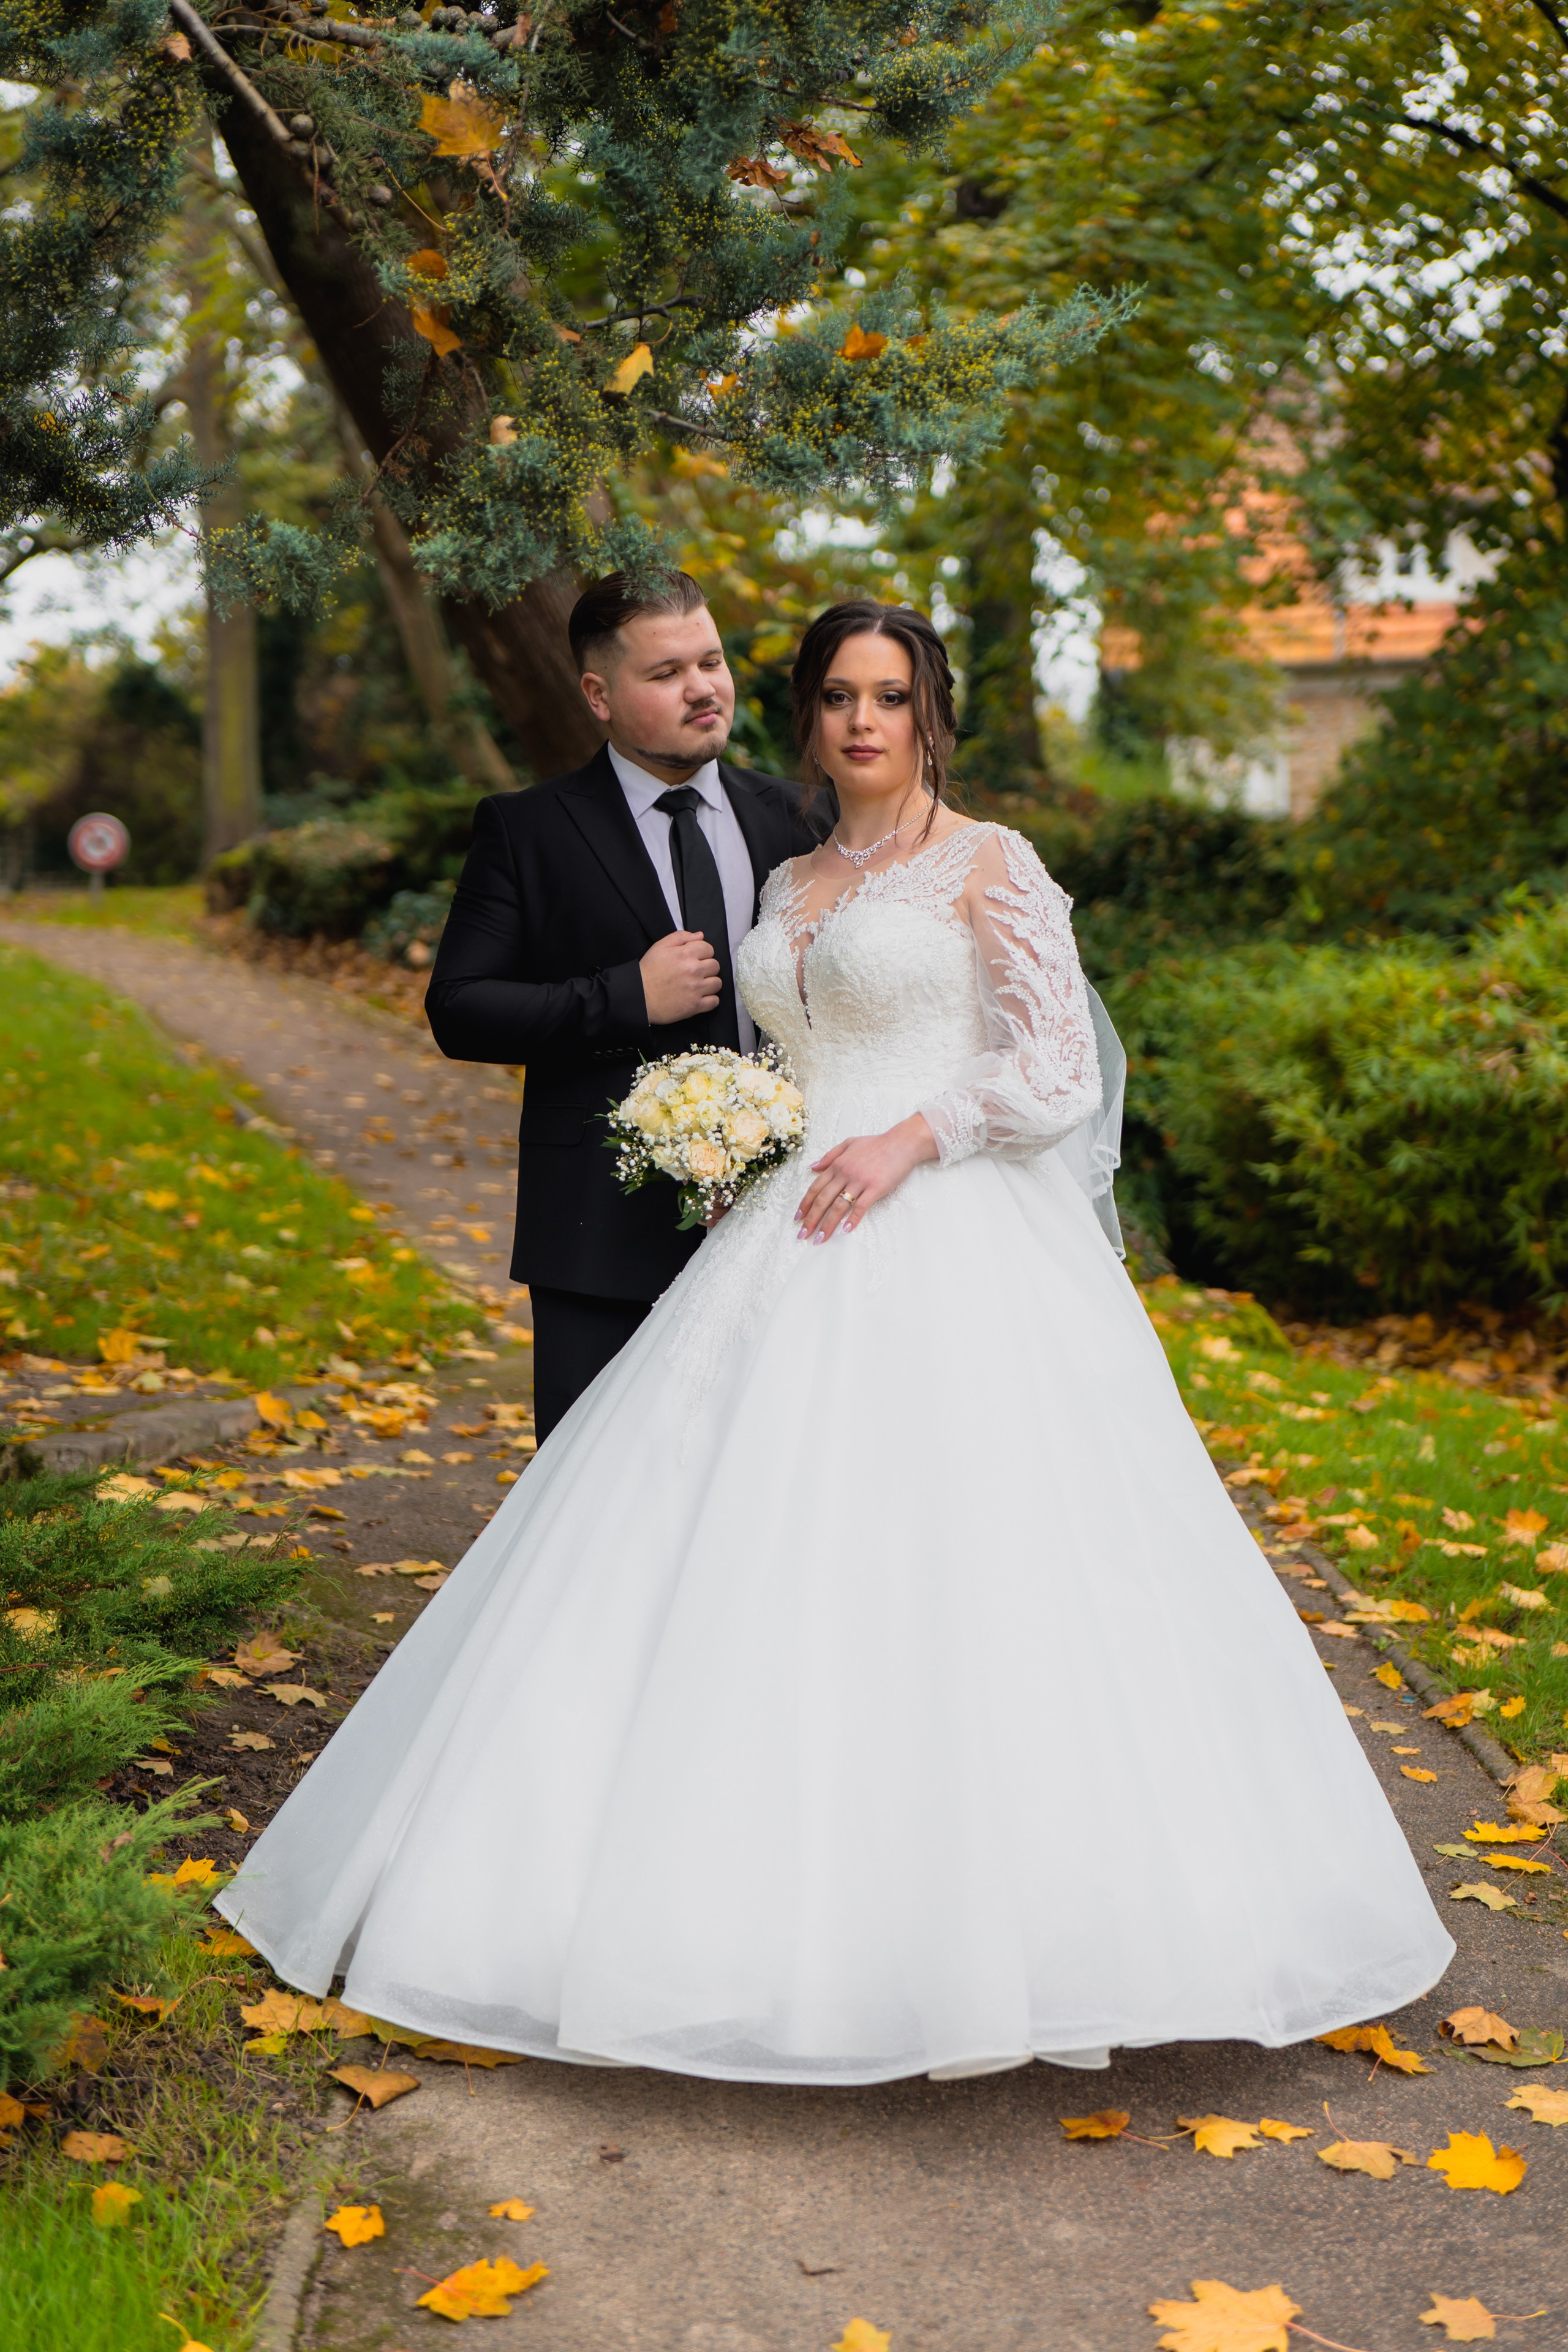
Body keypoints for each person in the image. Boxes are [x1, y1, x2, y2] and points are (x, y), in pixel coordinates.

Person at [218, 600, 1453, 2085]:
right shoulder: (788, 875)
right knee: (720, 1548)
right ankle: (702, 1921)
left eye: (891, 696)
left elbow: (1057, 1071)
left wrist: (912, 1136)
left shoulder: (990, 862)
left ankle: (1044, 1936)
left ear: (931, 712)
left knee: (976, 1562)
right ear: (807, 716)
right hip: (777, 1233)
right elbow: (773, 1049)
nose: (863, 722)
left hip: (947, 1229)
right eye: (838, 698)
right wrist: (740, 1135)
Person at [424, 569, 822, 1439]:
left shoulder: (800, 819)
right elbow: (458, 1007)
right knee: (594, 1484)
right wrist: (625, 997)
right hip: (599, 1231)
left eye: (710, 661)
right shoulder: (527, 830)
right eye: (667, 672)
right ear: (599, 696)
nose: (703, 688)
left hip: (782, 1226)